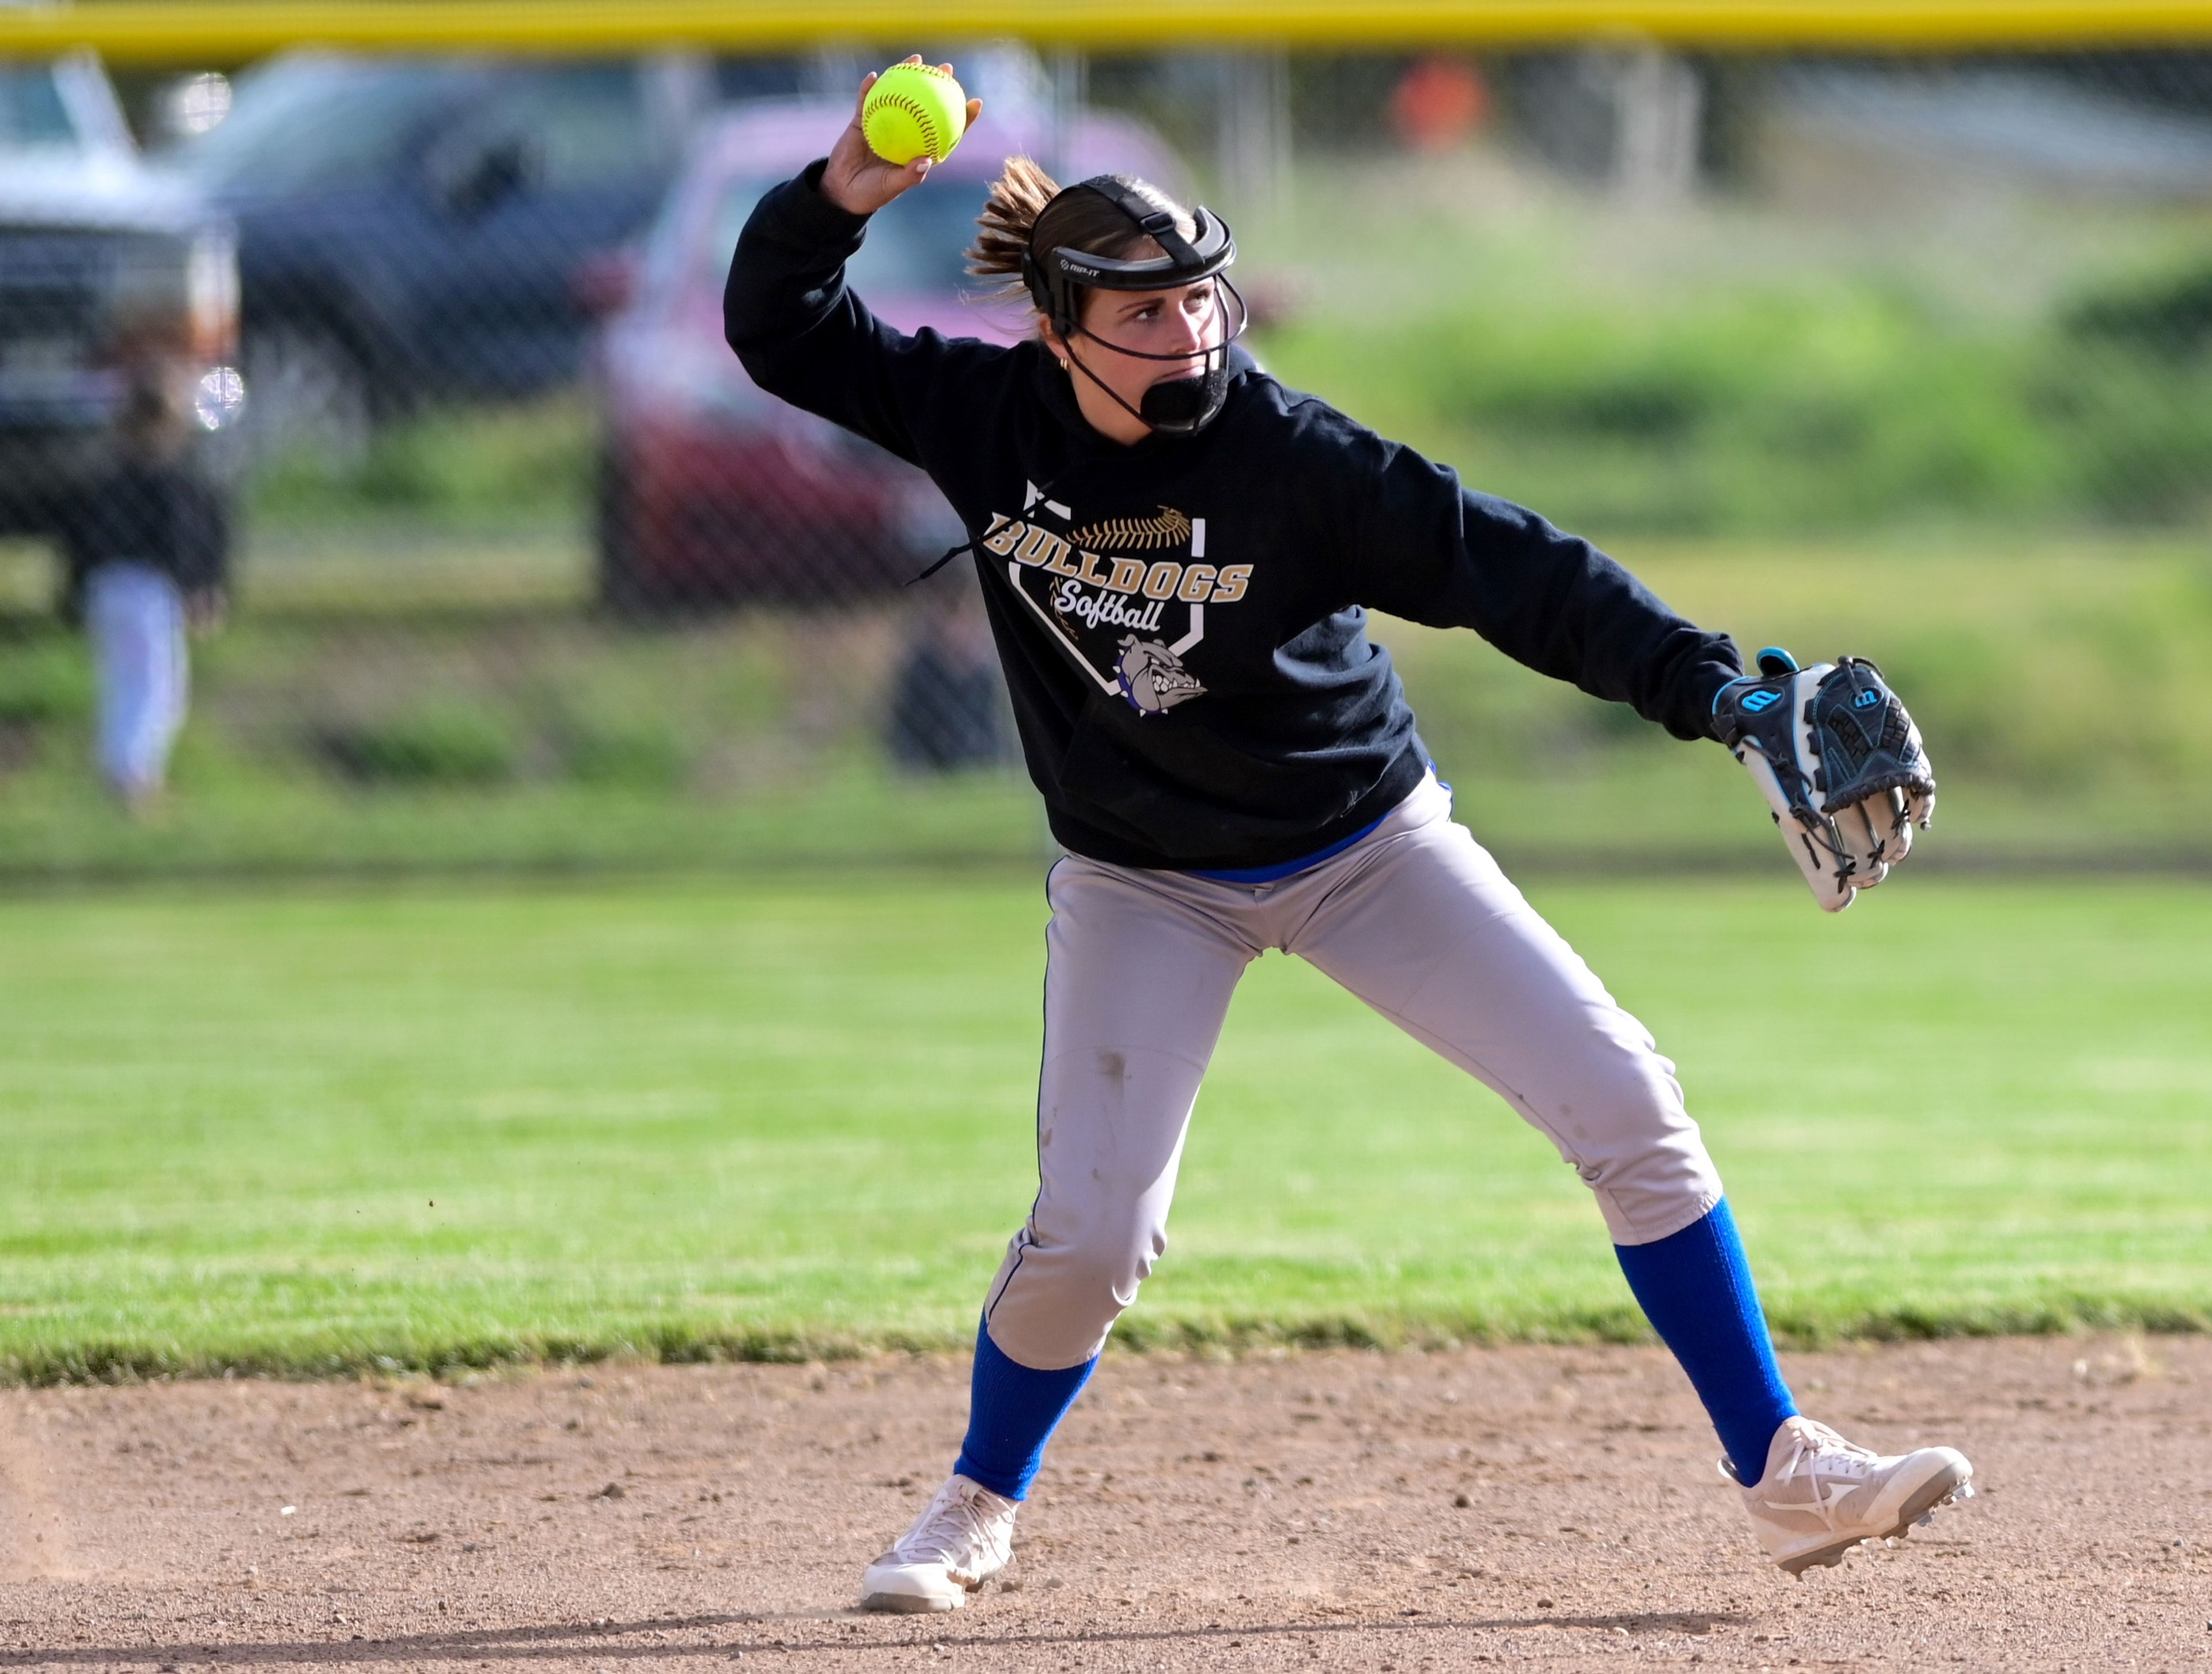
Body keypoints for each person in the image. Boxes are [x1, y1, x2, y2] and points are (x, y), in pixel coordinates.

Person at [724, 59, 1971, 1612]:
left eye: (1204, 300)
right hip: (1141, 879)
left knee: (1625, 1099)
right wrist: (839, 191)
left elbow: (1519, 571)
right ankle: (977, 1500)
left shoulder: (1289, 457)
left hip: (1366, 847)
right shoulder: (984, 417)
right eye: (1146, 313)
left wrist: (1711, 688)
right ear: (1056, 333)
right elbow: (779, 330)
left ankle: (1786, 1470)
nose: (1189, 334)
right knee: (1095, 1236)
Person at [59, 374, 229, 813]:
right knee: (158, 688)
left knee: (123, 684)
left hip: (104, 590)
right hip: (147, 592)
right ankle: (133, 780)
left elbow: (76, 543)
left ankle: (125, 774)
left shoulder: (102, 482)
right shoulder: (172, 485)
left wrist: (74, 595)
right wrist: (197, 590)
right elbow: (182, 542)